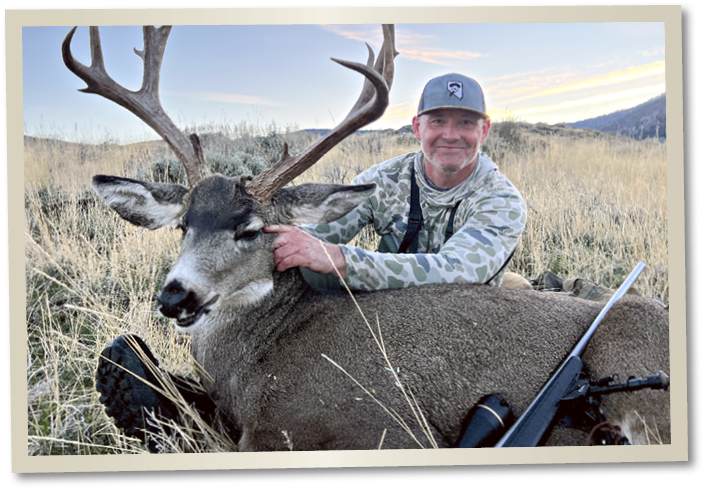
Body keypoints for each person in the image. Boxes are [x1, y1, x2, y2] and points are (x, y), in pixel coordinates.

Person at [264, 73, 527, 292]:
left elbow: (459, 272)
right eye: (438, 121)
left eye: (466, 122)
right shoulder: (382, 180)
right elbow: (321, 235)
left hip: (462, 317)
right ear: (416, 127)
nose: (451, 135)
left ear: (484, 130)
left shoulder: (502, 201)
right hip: (389, 307)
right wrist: (277, 242)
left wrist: (340, 259)